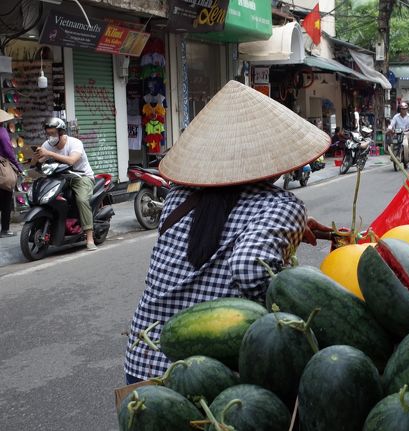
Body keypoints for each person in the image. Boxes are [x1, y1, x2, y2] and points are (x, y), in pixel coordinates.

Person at [124, 80, 332, 383]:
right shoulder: (282, 205)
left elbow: (222, 228)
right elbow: (248, 269)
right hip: (210, 377)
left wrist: (290, 229)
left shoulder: (177, 196)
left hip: (144, 364)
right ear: (275, 154)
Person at [34, 117, 97, 250]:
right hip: (59, 177)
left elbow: (72, 161)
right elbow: (39, 162)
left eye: (53, 134)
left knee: (81, 200)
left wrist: (49, 153)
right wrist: (37, 157)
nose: (50, 137)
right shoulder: (47, 145)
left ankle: (89, 237)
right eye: (48, 134)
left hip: (81, 177)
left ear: (61, 133)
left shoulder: (75, 143)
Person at [0, 109, 22, 238]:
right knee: (6, 200)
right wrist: (18, 166)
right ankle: (5, 230)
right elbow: (9, 152)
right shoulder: (2, 132)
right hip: (2, 169)